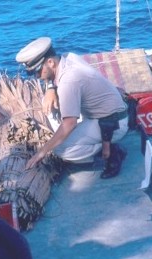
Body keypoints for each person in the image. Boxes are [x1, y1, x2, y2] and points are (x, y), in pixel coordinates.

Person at [16, 37, 129, 178]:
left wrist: (41, 152)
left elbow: (69, 124)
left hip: (112, 123)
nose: (37, 76)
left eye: (38, 71)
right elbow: (57, 75)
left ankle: (111, 151)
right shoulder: (69, 57)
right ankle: (99, 143)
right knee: (49, 102)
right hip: (105, 112)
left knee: (61, 149)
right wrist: (51, 88)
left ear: (50, 62)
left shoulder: (69, 81)